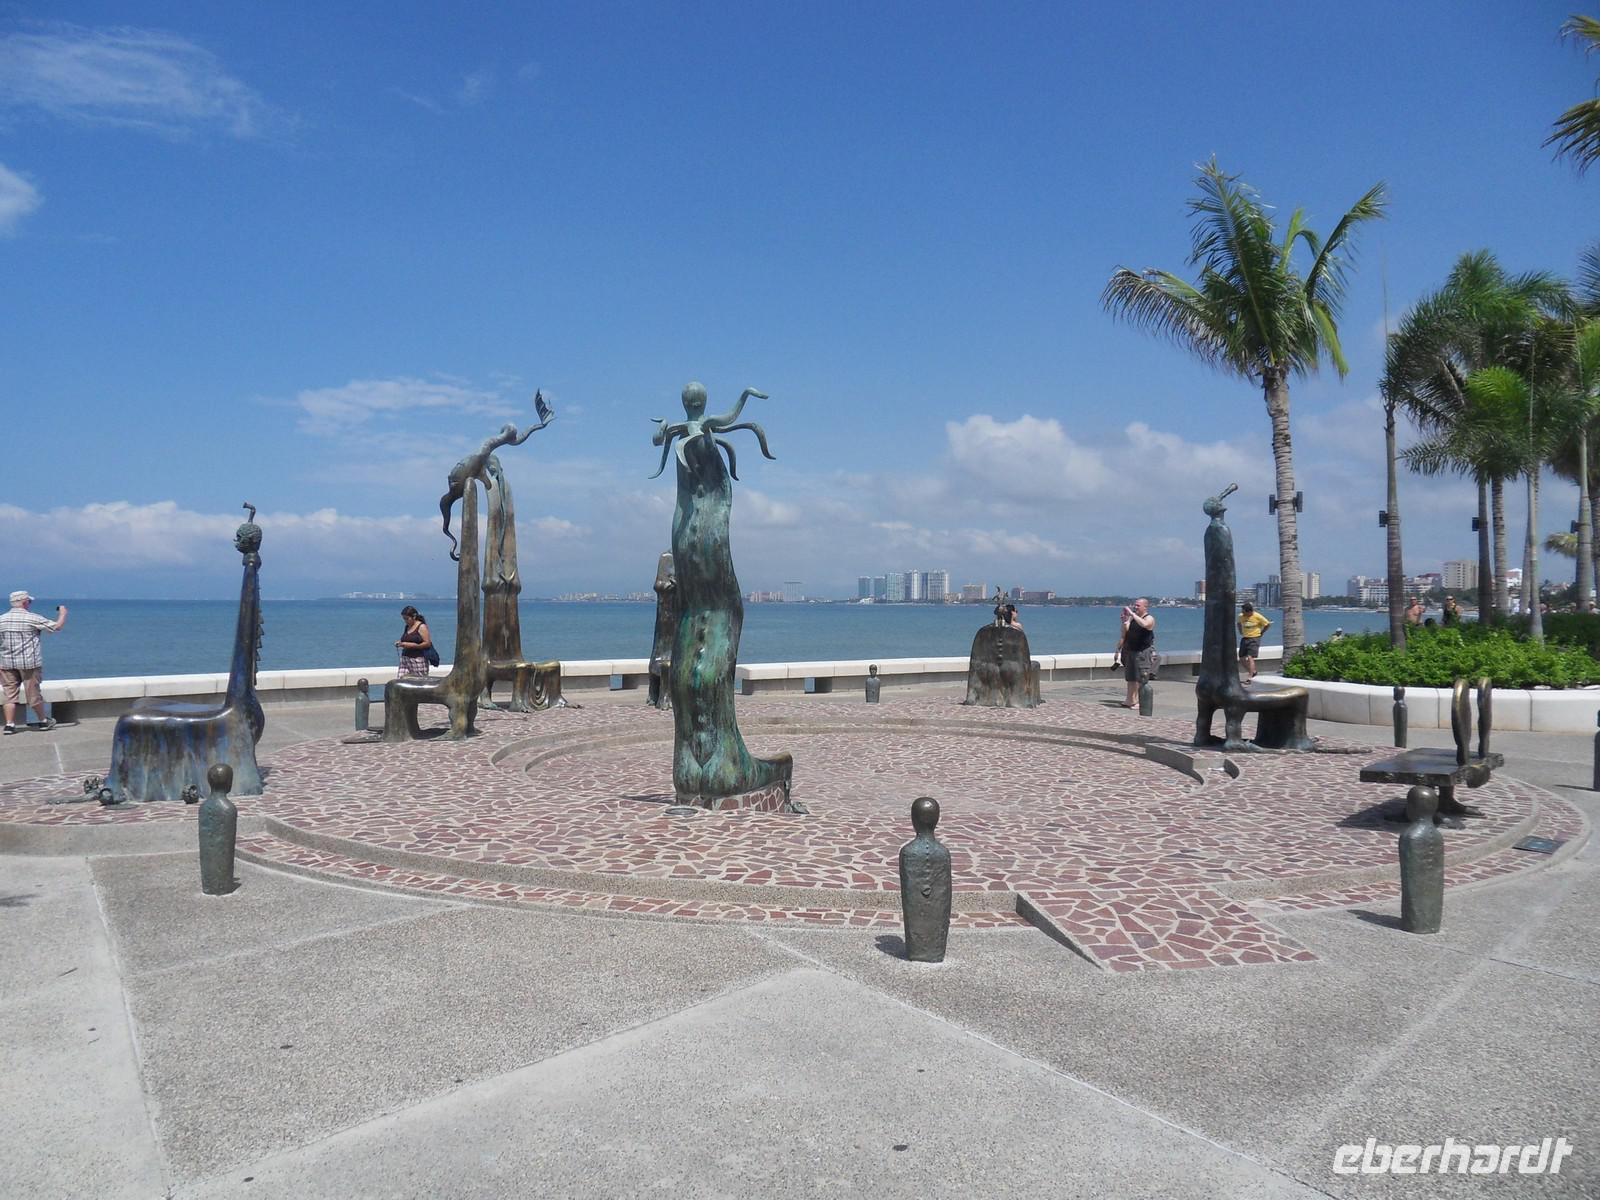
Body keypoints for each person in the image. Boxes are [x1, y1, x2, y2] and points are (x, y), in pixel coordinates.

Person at [1, 590, 67, 734]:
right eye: (29, 601)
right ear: (24, 602)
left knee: (10, 695)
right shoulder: (32, 618)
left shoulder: (2, 619)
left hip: (6, 663)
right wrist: (62, 614)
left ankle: (9, 725)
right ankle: (43, 721)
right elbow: (56, 627)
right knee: (33, 694)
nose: (30, 604)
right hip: (29, 663)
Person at [1118, 597, 1156, 708]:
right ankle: (1130, 700)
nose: (1135, 607)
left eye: (1138, 605)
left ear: (1145, 607)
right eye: (1135, 605)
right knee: (1131, 677)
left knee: (1141, 678)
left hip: (1142, 652)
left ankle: (1141, 702)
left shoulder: (1149, 618)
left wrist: (1132, 615)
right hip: (1131, 650)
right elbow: (1125, 631)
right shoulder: (1132, 618)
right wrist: (1125, 621)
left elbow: (1145, 625)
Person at [1236, 601, 1271, 686]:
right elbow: (1238, 623)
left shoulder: (1257, 616)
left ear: (1249, 611)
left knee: (1250, 657)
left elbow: (1267, 624)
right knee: (1241, 658)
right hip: (1245, 638)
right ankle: (1253, 672)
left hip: (1254, 638)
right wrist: (1240, 630)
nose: (1242, 613)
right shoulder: (1241, 616)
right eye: (1242, 611)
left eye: (1244, 611)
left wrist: (1262, 633)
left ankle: (1250, 677)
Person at [395, 606, 432, 676]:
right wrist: (400, 643)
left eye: (407, 619)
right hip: (405, 659)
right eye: (404, 619)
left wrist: (412, 645)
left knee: (419, 682)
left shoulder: (421, 627)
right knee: (401, 680)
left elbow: (427, 643)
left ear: (414, 617)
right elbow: (407, 638)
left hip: (418, 659)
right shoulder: (407, 627)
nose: (405, 621)